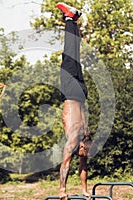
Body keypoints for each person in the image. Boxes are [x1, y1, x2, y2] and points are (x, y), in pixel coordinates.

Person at [56, 2, 91, 199]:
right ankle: (71, 19)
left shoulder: (78, 139)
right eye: (83, 150)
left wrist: (82, 191)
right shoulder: (82, 137)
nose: (82, 152)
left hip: (75, 93)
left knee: (73, 57)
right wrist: (63, 191)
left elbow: (70, 165)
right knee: (72, 56)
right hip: (76, 93)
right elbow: (68, 165)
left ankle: (72, 20)